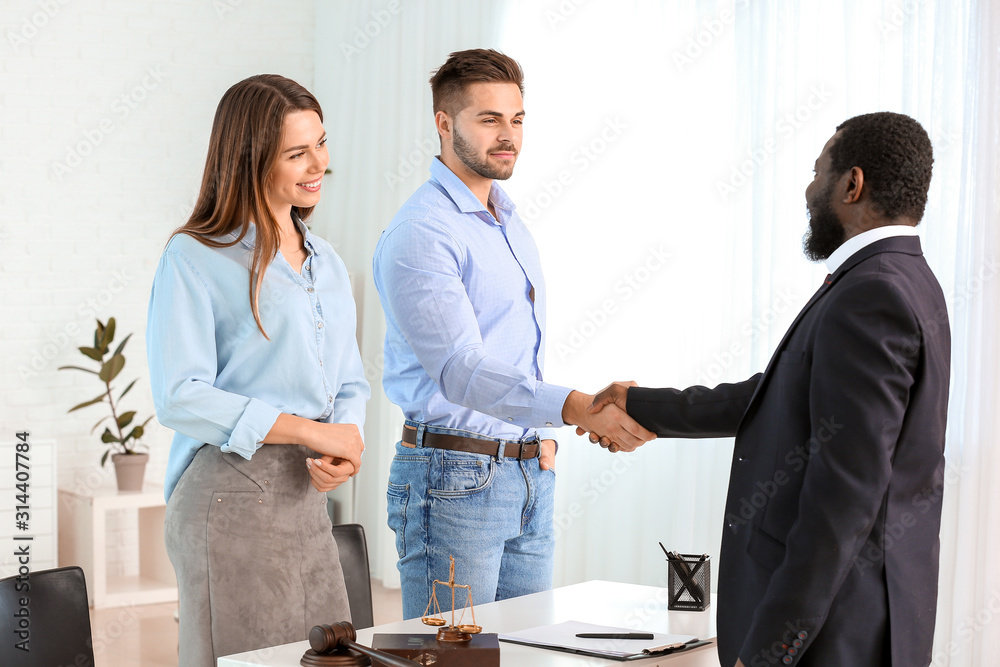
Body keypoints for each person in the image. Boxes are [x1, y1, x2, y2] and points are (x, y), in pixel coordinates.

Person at [583, 112, 949, 666]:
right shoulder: (909, 280)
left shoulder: (870, 295)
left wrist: (770, 651)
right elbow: (780, 394)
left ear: (852, 184)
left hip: (839, 633)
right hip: (867, 617)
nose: (808, 188)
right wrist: (639, 404)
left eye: (816, 171)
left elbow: (841, 502)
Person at [372, 49, 654, 619]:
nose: (509, 136)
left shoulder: (507, 217)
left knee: (528, 650)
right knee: (453, 658)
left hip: (526, 469)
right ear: (444, 123)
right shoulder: (422, 232)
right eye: (489, 119)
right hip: (452, 479)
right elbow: (462, 369)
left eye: (517, 119)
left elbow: (515, 353)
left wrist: (538, 441)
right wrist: (575, 408)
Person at [146, 74, 369, 666]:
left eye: (321, 143)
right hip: (226, 497)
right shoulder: (193, 256)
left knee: (331, 657)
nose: (318, 164)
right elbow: (180, 396)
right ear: (250, 160)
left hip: (305, 495)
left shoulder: (329, 265)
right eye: (297, 153)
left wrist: (343, 441)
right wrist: (307, 430)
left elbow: (347, 380)